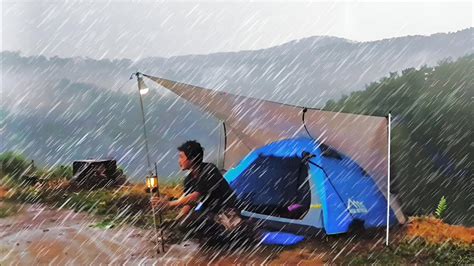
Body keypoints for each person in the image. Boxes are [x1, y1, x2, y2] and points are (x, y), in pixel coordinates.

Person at [151, 140, 242, 240]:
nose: (179, 161)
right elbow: (188, 203)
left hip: (227, 213)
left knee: (189, 222)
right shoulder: (189, 179)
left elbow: (194, 197)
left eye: (181, 157)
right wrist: (177, 220)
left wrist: (169, 204)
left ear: (192, 158)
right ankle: (210, 243)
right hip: (212, 214)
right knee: (181, 225)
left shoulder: (209, 170)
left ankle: (225, 240)